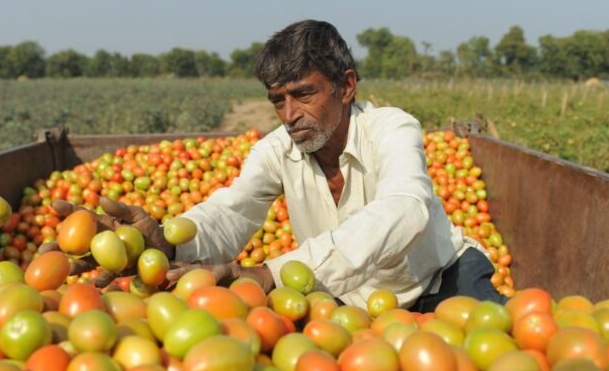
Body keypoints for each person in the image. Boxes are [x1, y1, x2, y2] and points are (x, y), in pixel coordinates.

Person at [56, 19, 506, 309]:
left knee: (509, 355)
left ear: (345, 86)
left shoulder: (392, 128)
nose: (290, 114)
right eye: (278, 100)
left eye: (304, 94)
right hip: (347, 299)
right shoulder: (277, 150)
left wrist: (271, 271)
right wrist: (169, 244)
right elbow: (232, 211)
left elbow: (405, 209)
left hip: (441, 279)